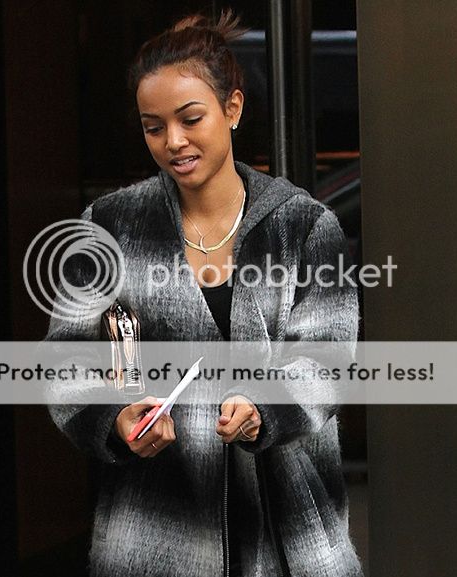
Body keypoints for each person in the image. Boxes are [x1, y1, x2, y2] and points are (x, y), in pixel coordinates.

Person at [46, 10, 364, 577]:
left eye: (190, 118)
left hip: (286, 525)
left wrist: (263, 409)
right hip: (157, 526)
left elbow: (328, 359)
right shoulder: (110, 226)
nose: (174, 142)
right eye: (153, 127)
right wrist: (114, 417)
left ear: (232, 108)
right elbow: (64, 361)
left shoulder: (303, 227)